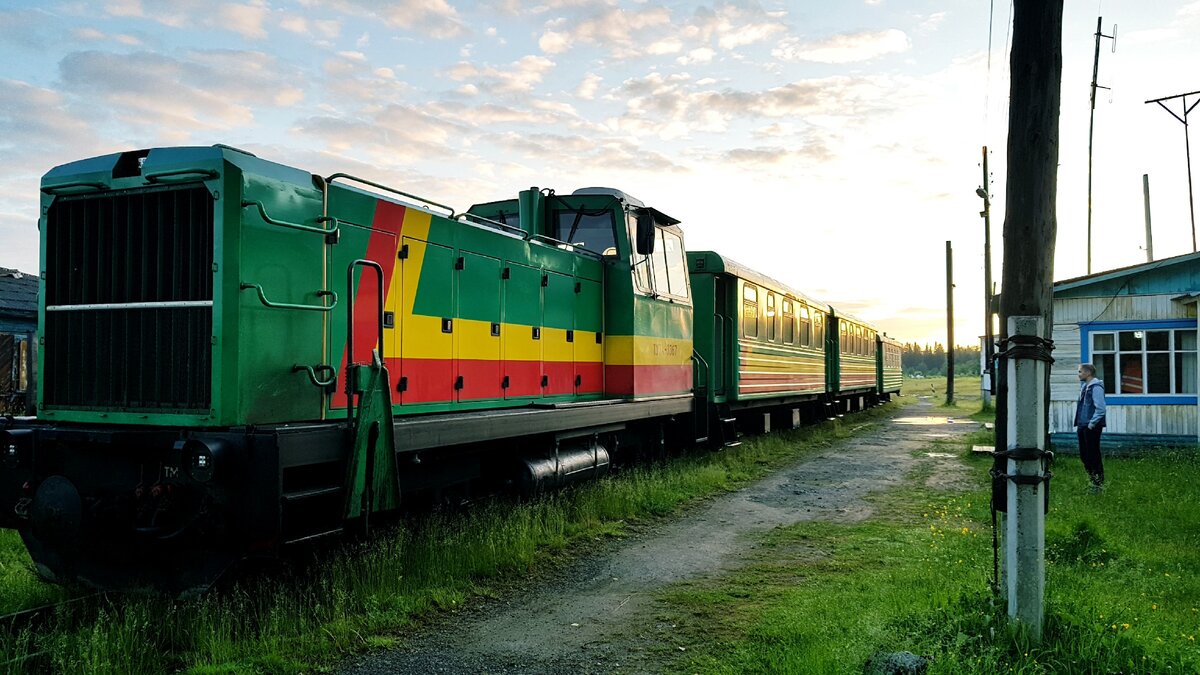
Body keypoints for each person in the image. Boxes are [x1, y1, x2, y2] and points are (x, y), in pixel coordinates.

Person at [1075, 363, 1107, 491]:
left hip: (1091, 427)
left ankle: (1098, 483)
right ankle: (1093, 480)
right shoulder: (1085, 387)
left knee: (1093, 454)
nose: (1078, 374)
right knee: (1084, 454)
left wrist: (1091, 424)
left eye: (1080, 372)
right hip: (1082, 425)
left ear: (1088, 373)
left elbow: (1101, 408)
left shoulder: (1096, 387)